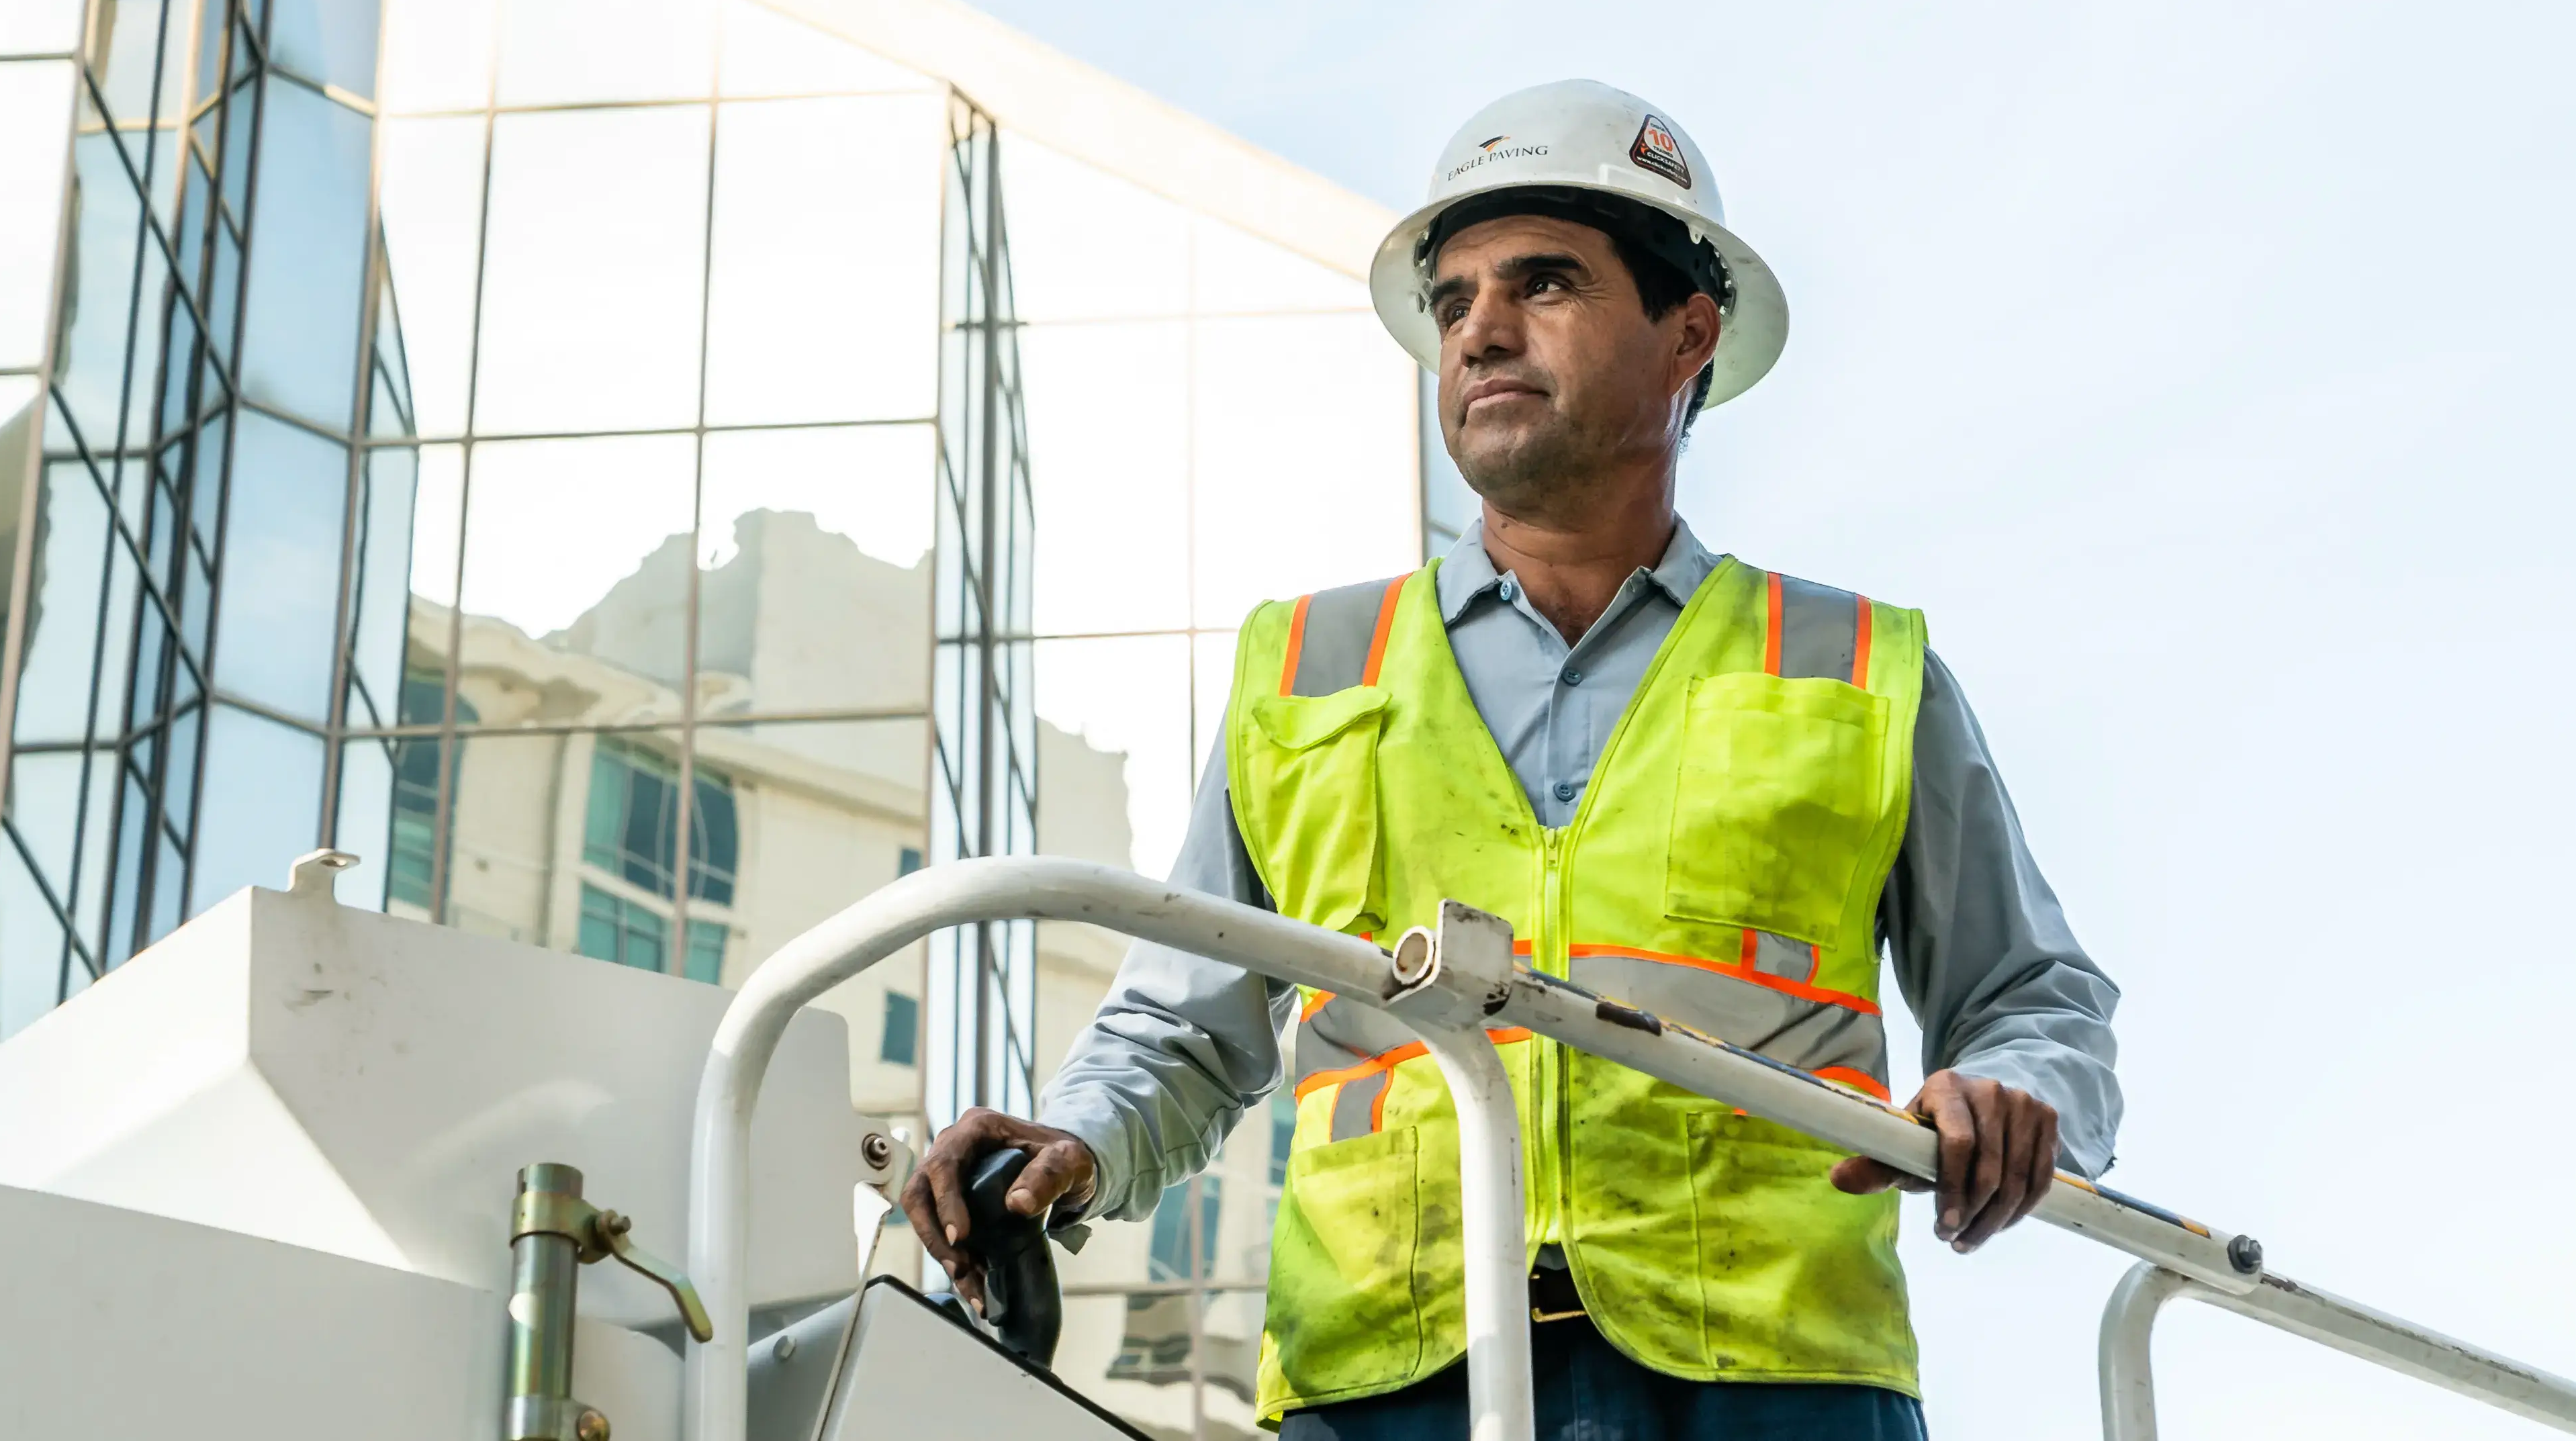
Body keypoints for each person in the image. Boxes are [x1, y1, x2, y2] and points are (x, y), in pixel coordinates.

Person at [904, 79, 2121, 1439]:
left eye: (1544, 284)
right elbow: (1186, 1027)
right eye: (1455, 300)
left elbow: (2032, 996)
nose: (1481, 328)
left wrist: (2023, 1094)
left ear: (1688, 335)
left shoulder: (1850, 668)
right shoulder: (1311, 667)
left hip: (1777, 1390)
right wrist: (1072, 1142)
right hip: (1388, 1382)